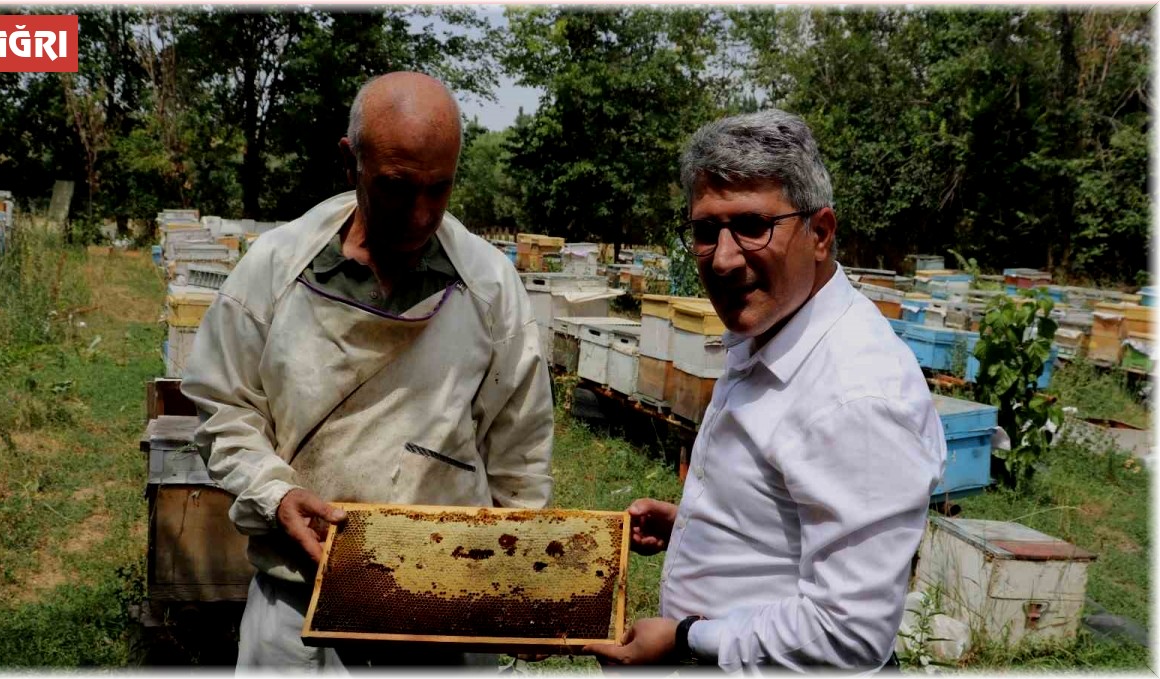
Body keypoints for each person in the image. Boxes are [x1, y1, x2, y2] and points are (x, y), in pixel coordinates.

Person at [181, 71, 554, 670]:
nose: (419, 215)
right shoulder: (276, 267)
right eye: (398, 188)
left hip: (446, 615)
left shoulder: (489, 285)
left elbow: (522, 453)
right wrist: (277, 494)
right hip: (296, 606)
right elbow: (224, 406)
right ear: (349, 161)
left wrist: (520, 585)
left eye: (440, 189)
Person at [587, 110, 947, 672]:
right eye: (707, 231)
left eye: (753, 227)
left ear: (820, 233)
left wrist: (684, 642)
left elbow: (847, 638)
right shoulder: (771, 326)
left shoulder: (857, 395)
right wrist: (702, 522)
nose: (725, 259)